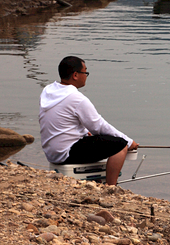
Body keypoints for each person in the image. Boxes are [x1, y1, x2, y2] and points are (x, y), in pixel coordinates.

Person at [39, 56, 138, 185]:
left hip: (52, 152)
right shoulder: (76, 98)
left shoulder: (48, 91)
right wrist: (130, 142)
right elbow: (99, 126)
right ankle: (111, 187)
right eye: (85, 72)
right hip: (67, 153)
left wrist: (85, 132)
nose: (86, 75)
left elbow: (64, 121)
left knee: (99, 139)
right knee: (120, 145)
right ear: (75, 75)